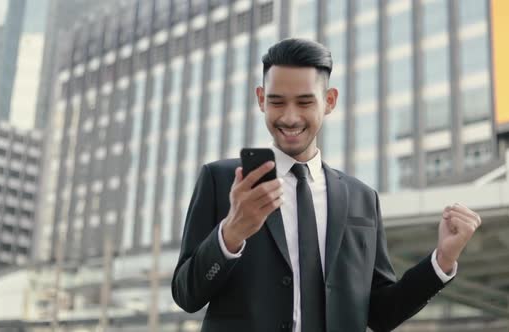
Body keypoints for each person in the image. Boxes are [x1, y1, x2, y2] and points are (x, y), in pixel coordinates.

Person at [171, 38, 481, 332]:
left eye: (305, 102)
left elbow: (382, 314)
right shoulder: (221, 180)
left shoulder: (362, 199)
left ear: (329, 101)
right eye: (277, 102)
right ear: (261, 100)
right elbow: (187, 295)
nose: (290, 118)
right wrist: (231, 234)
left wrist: (441, 261)